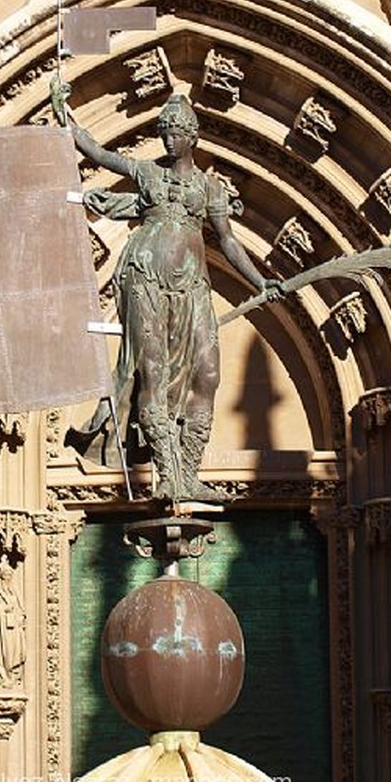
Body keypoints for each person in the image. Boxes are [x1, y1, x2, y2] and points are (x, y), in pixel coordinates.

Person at [51, 78, 283, 501]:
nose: (168, 140)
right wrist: (66, 117)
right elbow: (98, 153)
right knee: (152, 374)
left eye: (175, 133)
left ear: (192, 136)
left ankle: (189, 471)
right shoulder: (146, 171)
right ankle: (167, 474)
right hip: (145, 278)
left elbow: (228, 240)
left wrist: (259, 279)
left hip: (192, 284)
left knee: (207, 373)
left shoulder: (209, 187)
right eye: (163, 133)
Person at [0, 564, 26, 690]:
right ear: (1, 576)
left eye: (10, 575)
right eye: (6, 575)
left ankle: (13, 676)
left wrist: (21, 617)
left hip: (14, 628)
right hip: (1, 628)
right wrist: (3, 609)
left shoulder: (14, 591)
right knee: (2, 650)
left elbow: (20, 608)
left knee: (15, 651)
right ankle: (2, 677)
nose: (9, 578)